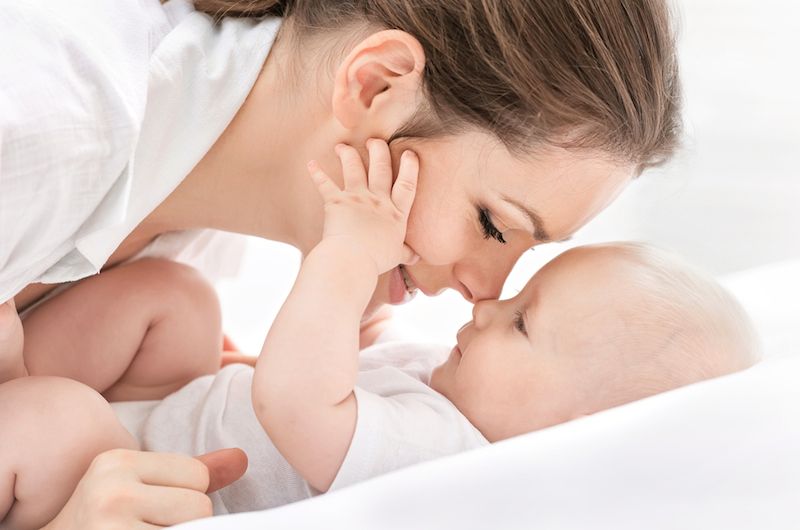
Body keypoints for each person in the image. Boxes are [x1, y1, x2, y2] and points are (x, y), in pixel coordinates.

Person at [0, 0, 681, 526]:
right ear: (376, 85)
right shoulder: (43, 127)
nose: (484, 292)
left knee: (180, 305)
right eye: (491, 224)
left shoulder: (207, 208)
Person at [0, 142, 758, 527]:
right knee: (180, 298)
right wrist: (355, 325)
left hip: (131, 473)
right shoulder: (457, 392)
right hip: (181, 411)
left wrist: (345, 255)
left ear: (576, 431)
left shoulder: (451, 461)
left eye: (523, 323)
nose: (485, 308)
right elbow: (330, 384)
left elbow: (299, 404)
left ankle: (18, 396)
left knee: (64, 416)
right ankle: (19, 375)